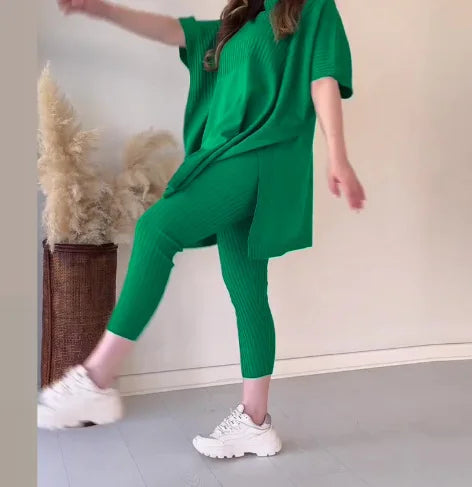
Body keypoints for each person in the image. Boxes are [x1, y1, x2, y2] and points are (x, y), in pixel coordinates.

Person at [38, 0, 366, 459]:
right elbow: (171, 30)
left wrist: (338, 156)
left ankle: (96, 378)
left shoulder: (311, 8)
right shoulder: (238, 22)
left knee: (157, 229)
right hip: (222, 156)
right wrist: (103, 10)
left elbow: (322, 78)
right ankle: (256, 421)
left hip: (261, 154)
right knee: (247, 292)